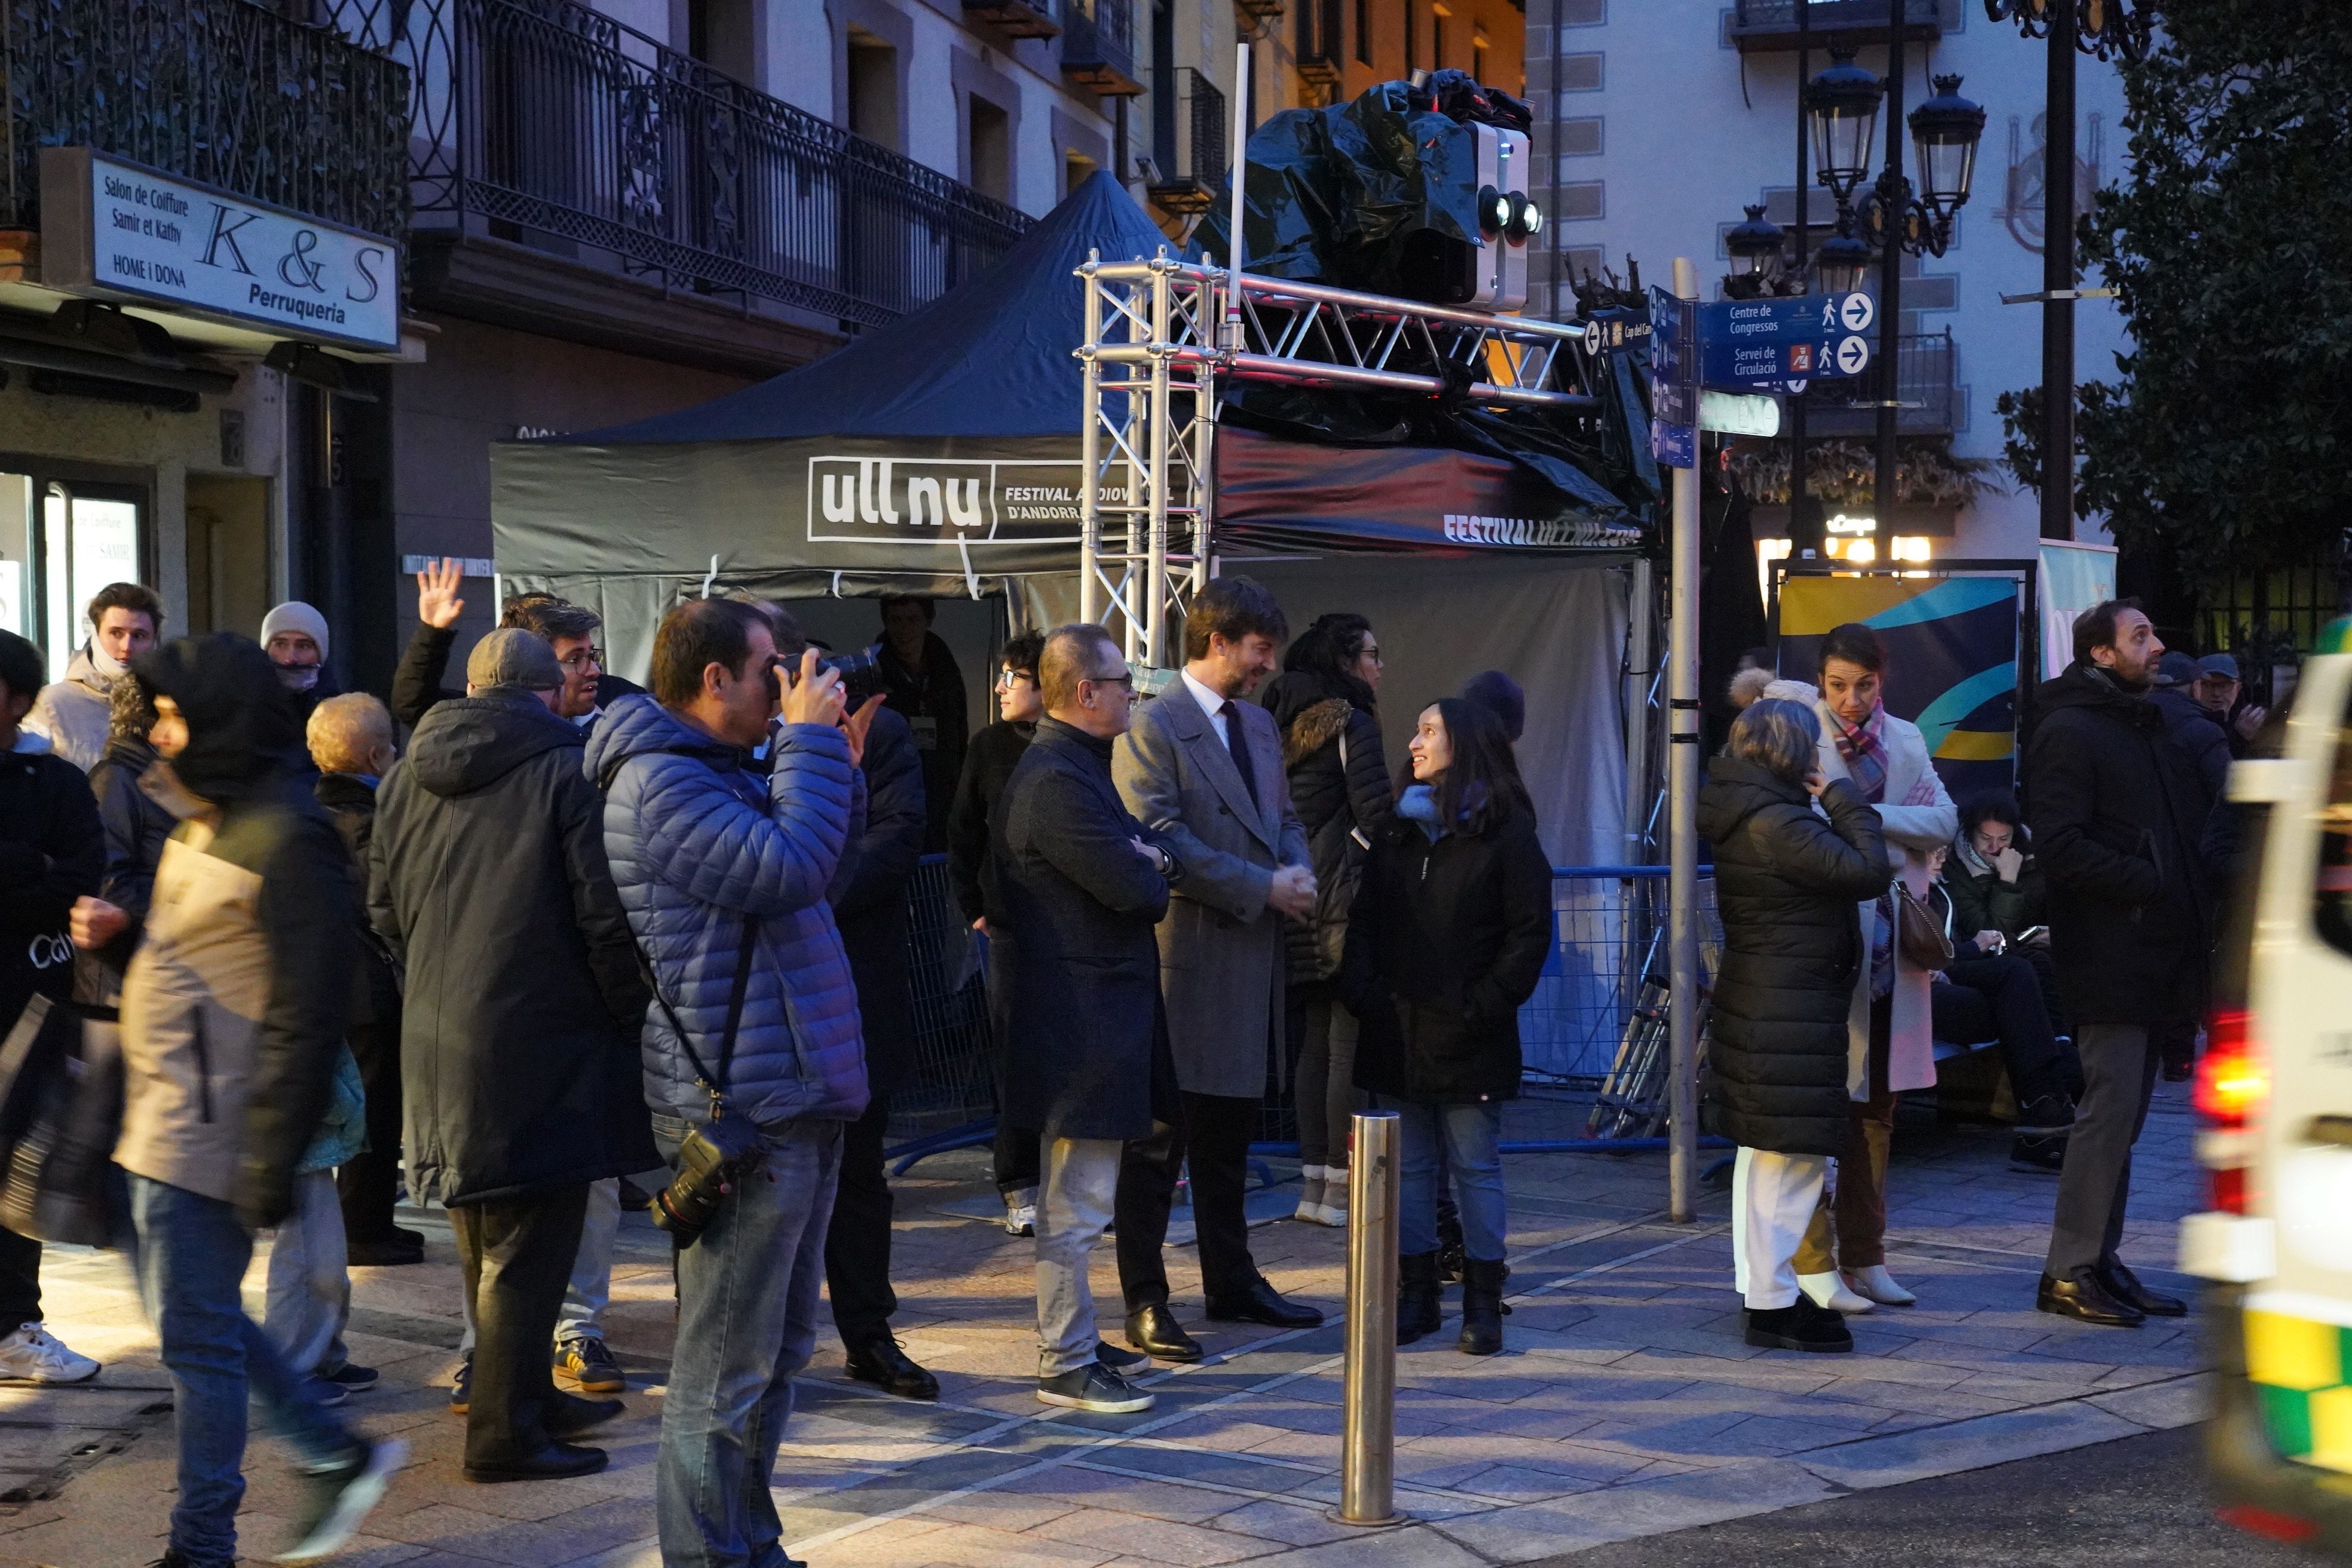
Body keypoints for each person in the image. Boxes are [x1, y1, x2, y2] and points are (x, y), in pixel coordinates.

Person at [587, 598, 874, 1567]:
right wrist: (808, 743)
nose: (782, 686)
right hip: (741, 1105)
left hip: (790, 1090)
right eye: (769, 670)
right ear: (714, 679)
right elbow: (791, 866)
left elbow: (819, 863)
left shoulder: (720, 770)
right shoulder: (661, 784)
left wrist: (822, 750)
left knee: (780, 1349)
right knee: (722, 1366)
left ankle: (752, 1544)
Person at [104, 632, 403, 1565]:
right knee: (202, 1325)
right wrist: (122, 943)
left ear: (222, 723)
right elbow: (201, 964)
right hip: (159, 1122)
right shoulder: (211, 815)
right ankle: (325, 1451)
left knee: (200, 1342)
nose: (160, 735)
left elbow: (306, 1012)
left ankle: (208, 1541)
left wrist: (268, 1158)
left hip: (210, 1133)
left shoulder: (287, 834)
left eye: (175, 717)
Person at [369, 630, 653, 1481]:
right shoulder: (566, 771)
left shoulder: (405, 774)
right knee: (533, 1247)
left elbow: (380, 908)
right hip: (544, 1039)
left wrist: (430, 985)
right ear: (541, 693)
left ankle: (527, 1396)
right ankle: (503, 1434)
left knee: (480, 1239)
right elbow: (602, 917)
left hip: (437, 1035)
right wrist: (629, 1014)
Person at [1113, 577, 1322, 1362]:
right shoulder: (1152, 727)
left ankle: (1231, 1279)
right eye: (1261, 650)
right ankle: (1146, 1299)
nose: (1269, 665)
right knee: (1158, 1146)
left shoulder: (1261, 729)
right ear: (1218, 642)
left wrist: (1296, 873)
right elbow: (1156, 836)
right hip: (1187, 965)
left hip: (1249, 960)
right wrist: (1262, 887)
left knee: (1229, 1138)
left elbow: (1287, 818)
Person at [991, 624, 1180, 1413]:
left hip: (1094, 1013)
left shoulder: (1074, 768)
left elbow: (1144, 855)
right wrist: (1148, 870)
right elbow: (1139, 885)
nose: (1133, 694)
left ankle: (1073, 1335)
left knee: (1083, 1196)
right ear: (1084, 693)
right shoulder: (1056, 782)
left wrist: (1147, 863)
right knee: (1077, 1199)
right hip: (1081, 1021)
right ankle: (1064, 1358)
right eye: (1120, 681)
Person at [1343, 698, 1550, 1355]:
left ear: (1465, 742)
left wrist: (1483, 1005)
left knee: (1474, 1165)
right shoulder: (1396, 832)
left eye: (1428, 730)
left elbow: (1529, 934)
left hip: (1468, 1033)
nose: (1413, 741)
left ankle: (1482, 1302)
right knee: (1409, 1169)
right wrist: (1368, 994)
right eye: (1418, 728)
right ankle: (1417, 1295)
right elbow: (1365, 923)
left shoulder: (1507, 831)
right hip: (1397, 1027)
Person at [2025, 599, 2209, 1328]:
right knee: (2106, 1116)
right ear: (2101, 653)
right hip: (2109, 954)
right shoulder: (2071, 729)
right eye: (2142, 636)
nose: (2158, 645)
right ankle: (2068, 1268)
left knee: (2125, 1117)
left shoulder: (2143, 723)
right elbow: (2061, 846)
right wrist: (2149, 878)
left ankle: (2099, 1258)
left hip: (2151, 953)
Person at [1699, 697, 1893, 1354]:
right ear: (1788, 752)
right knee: (1789, 1157)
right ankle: (1773, 1299)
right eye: (1812, 746)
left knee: (1769, 1154)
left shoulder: (1750, 812)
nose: (1820, 756)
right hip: (1788, 1001)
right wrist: (1842, 797)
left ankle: (1768, 1294)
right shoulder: (1777, 821)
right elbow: (1868, 869)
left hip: (1772, 997)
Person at [1784, 625, 1956, 1314]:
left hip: (1893, 944)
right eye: (1838, 684)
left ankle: (1867, 1253)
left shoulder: (1907, 739)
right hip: (1825, 941)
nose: (1851, 699)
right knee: (1817, 1108)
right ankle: (1812, 1260)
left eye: (1865, 684)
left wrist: (1854, 809)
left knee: (1879, 1107)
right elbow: (1799, 828)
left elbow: (1944, 821)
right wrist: (1891, 824)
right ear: (1820, 681)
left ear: (1882, 681)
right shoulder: (1797, 733)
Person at [803, 614, 936, 1402]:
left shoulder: (881, 742)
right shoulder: (757, 745)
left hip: (859, 985)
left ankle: (868, 1334)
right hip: (776, 1001)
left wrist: (807, 887)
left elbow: (899, 837)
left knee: (860, 1177)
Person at [1258, 612, 1393, 1228]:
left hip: (1293, 897)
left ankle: (1314, 1185)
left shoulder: (1270, 727)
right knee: (1346, 1048)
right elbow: (1375, 815)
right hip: (1345, 901)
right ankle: (1342, 1189)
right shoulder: (1352, 723)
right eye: (1369, 653)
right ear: (1343, 661)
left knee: (1314, 1044)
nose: (1378, 664)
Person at [0, 629, 105, 1386]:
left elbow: (81, 877)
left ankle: (13, 1323)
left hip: (31, 1001)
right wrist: (27, 866)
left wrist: (32, 873)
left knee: (16, 1167)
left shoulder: (54, 782)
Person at [305, 696, 423, 1270]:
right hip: (370, 988)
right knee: (376, 1111)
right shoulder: (374, 823)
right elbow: (386, 907)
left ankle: (364, 1222)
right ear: (379, 756)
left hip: (326, 981)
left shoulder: (306, 813)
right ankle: (365, 1228)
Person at [948, 631, 1046, 1235]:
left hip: (1071, 930)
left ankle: (1071, 1182)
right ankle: (1018, 1183)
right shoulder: (988, 746)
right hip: (1008, 926)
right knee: (1013, 1052)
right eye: (1003, 674)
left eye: (1015, 676)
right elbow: (961, 831)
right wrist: (974, 906)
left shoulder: (1088, 745)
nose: (1001, 686)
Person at [1924, 844, 2080, 1175]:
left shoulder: (1938, 887)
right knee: (2014, 989)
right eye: (1930, 850)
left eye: (1943, 850)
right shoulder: (1902, 887)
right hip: (1914, 987)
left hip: (1944, 973)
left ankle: (2049, 1089)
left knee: (2032, 964)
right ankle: (2051, 1089)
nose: (1940, 857)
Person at [393, 562, 641, 731]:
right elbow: (413, 706)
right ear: (534, 665)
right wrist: (432, 633)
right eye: (576, 658)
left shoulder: (620, 702)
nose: (593, 670)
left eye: (592, 655)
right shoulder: (492, 723)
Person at [26, 580, 162, 771]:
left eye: (139, 636)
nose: (126, 647)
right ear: (96, 636)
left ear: (154, 640)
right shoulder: (54, 703)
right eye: (116, 633)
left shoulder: (167, 703)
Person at [875, 594, 968, 851]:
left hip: (943, 788)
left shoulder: (946, 669)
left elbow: (961, 731)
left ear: (928, 621)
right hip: (894, 793)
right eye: (896, 620)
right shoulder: (873, 672)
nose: (904, 630)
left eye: (912, 620)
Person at [262, 601, 341, 730]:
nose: (290, 659)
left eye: (303, 646)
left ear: (321, 654)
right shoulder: (244, 714)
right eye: (280, 645)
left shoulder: (342, 719)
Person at [2192, 652, 2267, 760]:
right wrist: (2239, 737)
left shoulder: (2249, 722)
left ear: (2238, 688)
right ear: (2195, 688)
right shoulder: (2187, 723)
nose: (2216, 693)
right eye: (2207, 685)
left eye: (2224, 686)